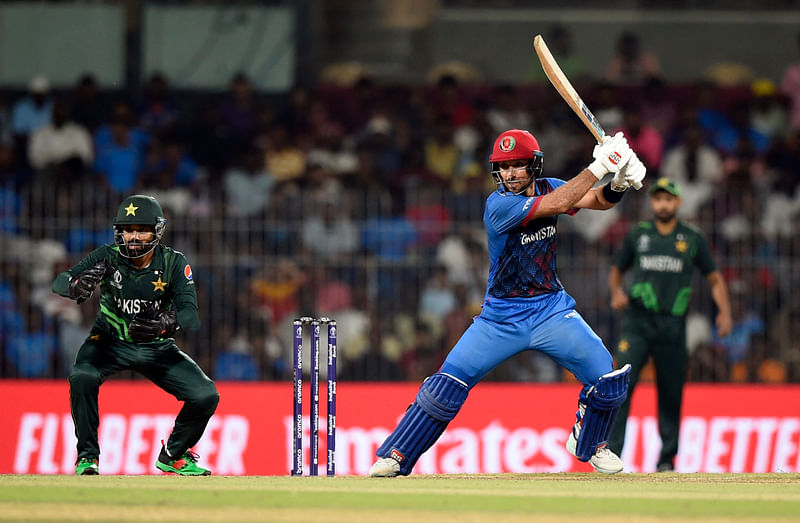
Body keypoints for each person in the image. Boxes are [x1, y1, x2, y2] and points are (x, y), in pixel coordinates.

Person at [368, 128, 647, 477]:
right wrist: (601, 165)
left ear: (534, 165)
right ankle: (397, 454)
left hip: (551, 310)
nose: (511, 173)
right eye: (504, 167)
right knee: (446, 385)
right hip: (501, 317)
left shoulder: (551, 185)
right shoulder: (498, 205)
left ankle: (592, 444)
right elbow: (560, 203)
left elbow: (595, 201)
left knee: (607, 378)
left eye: (518, 165)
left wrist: (618, 183)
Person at [52, 194, 219, 476]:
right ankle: (87, 457)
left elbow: (190, 315)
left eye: (141, 229)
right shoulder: (106, 256)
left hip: (156, 345)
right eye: (128, 230)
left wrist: (165, 323)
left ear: (157, 231)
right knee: (82, 376)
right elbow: (59, 281)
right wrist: (76, 287)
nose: (134, 236)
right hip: (108, 340)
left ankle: (174, 456)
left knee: (206, 395)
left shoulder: (174, 263)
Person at [607, 177, 732, 472]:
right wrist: (616, 292)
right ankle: (612, 454)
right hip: (637, 322)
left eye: (668, 199)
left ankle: (666, 459)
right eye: (658, 199)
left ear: (677, 203)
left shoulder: (691, 237)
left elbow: (714, 278)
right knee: (621, 386)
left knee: (671, 392)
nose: (663, 204)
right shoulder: (639, 234)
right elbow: (617, 268)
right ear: (653, 203)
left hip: (673, 325)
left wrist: (724, 312)